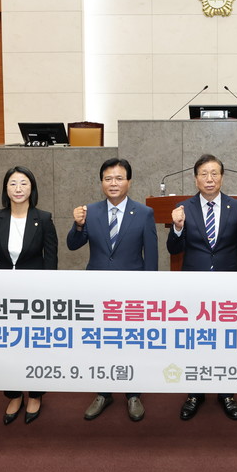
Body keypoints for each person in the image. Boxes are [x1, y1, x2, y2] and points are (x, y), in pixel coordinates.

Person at [0, 166, 58, 426]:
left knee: (34, 344)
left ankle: (35, 394)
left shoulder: (44, 218)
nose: (18, 188)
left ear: (32, 188)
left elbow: (51, 260)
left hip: (34, 292)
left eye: (24, 183)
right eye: (13, 183)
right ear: (6, 189)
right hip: (2, 292)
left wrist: (48, 294)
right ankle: (14, 394)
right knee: (7, 344)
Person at [66, 158, 157, 422]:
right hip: (97, 291)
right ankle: (103, 393)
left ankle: (133, 394)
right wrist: (78, 224)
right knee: (101, 342)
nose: (113, 183)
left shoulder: (144, 213)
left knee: (131, 342)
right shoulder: (90, 211)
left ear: (129, 181)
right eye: (108, 178)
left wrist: (150, 293)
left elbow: (151, 257)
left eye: (119, 178)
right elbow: (73, 244)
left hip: (133, 292)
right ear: (101, 183)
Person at [167, 154, 237, 421]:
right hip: (195, 287)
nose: (209, 178)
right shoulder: (184, 208)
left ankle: (226, 393)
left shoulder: (236, 207)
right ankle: (195, 393)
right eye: (204, 174)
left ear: (222, 177)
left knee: (227, 340)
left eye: (214, 173)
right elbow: (173, 249)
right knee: (196, 340)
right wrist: (177, 228)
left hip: (229, 286)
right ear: (195, 179)